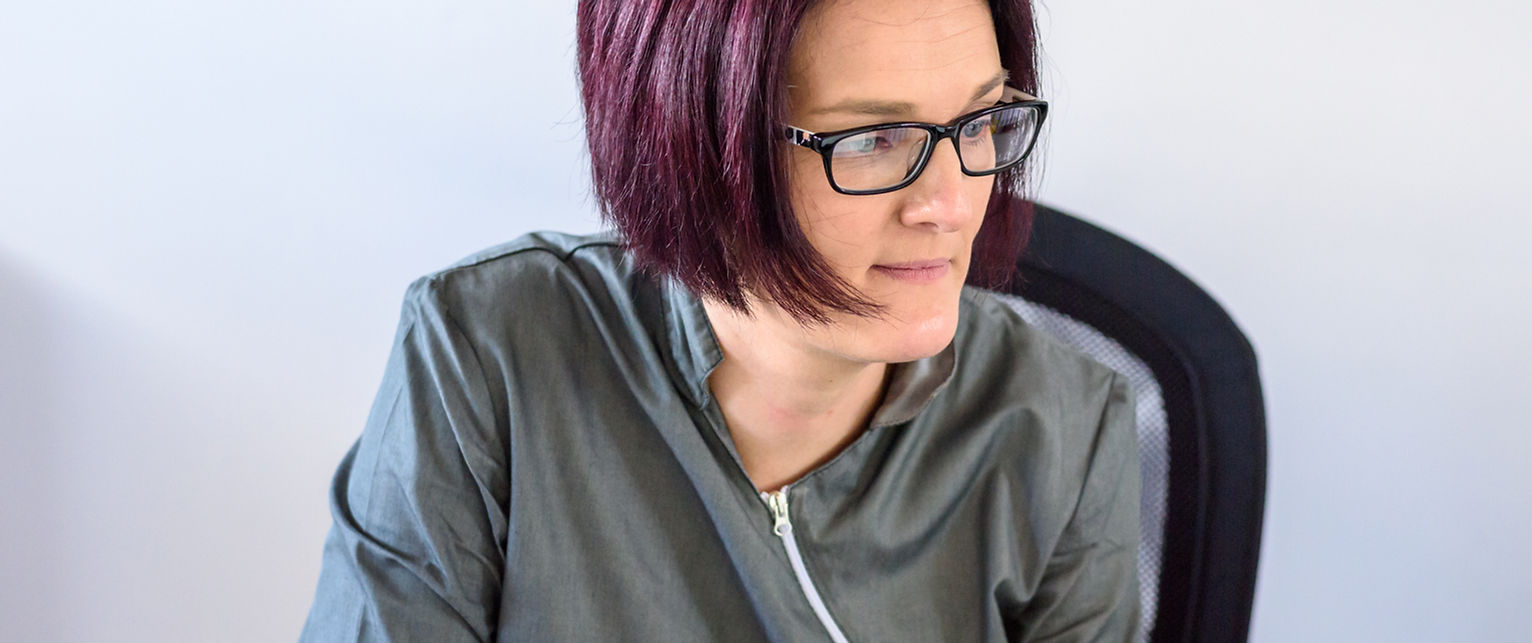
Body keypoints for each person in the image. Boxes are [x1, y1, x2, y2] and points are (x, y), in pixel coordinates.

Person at [297, 0, 1141, 640]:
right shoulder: (488, 355)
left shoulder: (1065, 429)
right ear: (693, 147)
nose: (950, 204)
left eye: (980, 122)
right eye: (872, 138)